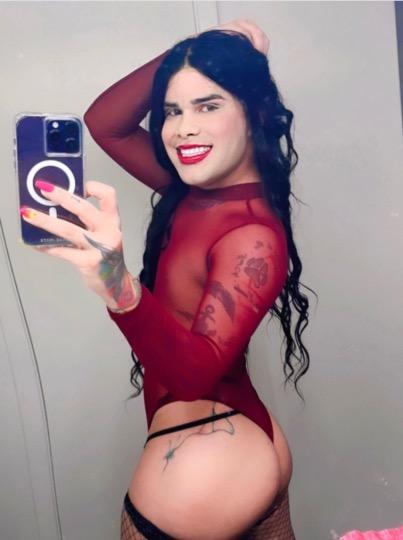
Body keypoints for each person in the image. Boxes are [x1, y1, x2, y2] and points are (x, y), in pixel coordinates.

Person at [21, 19, 315, 539]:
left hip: (204, 460)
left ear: (256, 111)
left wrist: (116, 281)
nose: (182, 129)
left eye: (208, 106)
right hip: (236, 441)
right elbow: (106, 123)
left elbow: (192, 378)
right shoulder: (194, 194)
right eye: (173, 111)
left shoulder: (251, 234)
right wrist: (200, 51)